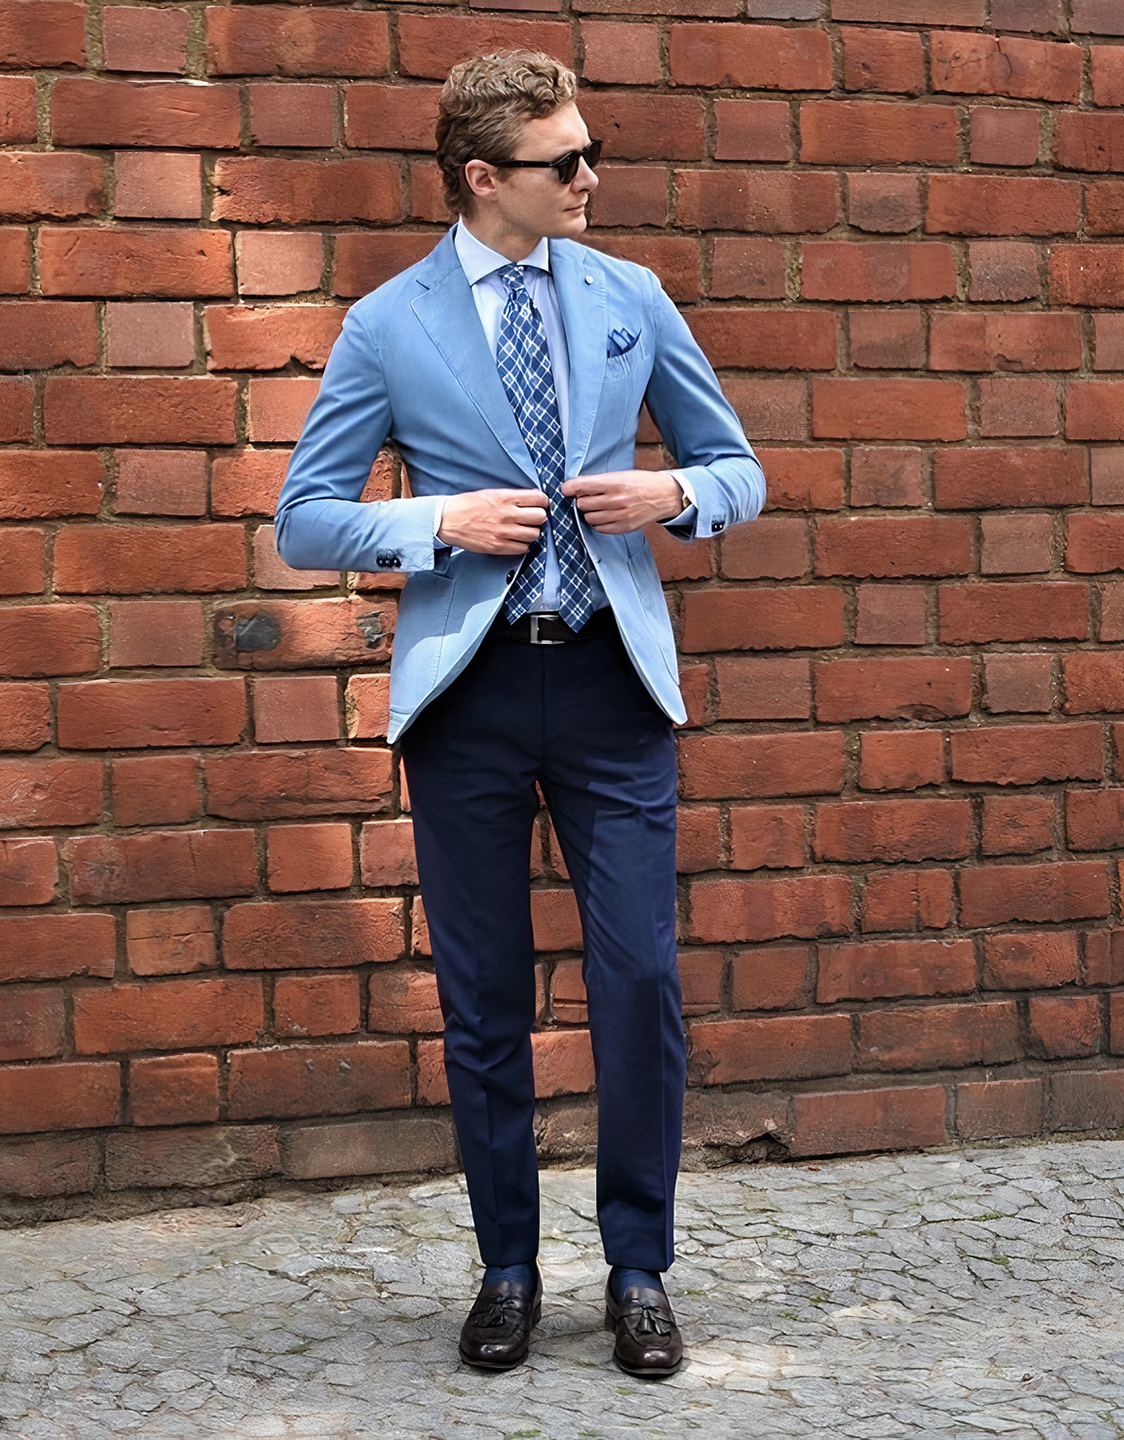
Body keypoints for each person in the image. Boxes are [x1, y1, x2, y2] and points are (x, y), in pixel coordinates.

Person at [275, 50, 765, 1378]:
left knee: (641, 976)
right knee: (485, 999)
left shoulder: (633, 297)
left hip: (610, 686)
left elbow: (739, 469)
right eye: (566, 163)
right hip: (472, 698)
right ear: (485, 179)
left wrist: (674, 499)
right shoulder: (390, 325)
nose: (593, 178)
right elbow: (304, 521)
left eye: (589, 153)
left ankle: (640, 1265)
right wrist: (436, 521)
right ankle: (505, 1267)